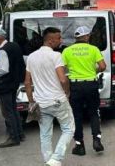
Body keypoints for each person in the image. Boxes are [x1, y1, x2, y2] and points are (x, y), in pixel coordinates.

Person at [25, 27, 74, 166]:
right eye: (59, 38)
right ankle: (56, 159)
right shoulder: (56, 56)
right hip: (58, 100)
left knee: (45, 134)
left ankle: (48, 161)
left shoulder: (31, 57)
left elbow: (27, 81)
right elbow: (63, 79)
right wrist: (67, 92)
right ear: (51, 40)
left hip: (40, 102)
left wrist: (31, 101)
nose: (61, 40)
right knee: (69, 128)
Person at [62, 26, 106, 156]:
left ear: (76, 38)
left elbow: (63, 70)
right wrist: (94, 71)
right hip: (91, 84)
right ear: (87, 36)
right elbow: (103, 66)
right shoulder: (93, 49)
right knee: (94, 112)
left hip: (75, 86)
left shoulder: (67, 51)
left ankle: (79, 145)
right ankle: (97, 139)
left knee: (77, 115)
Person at [0, 27, 26, 148]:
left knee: (7, 112)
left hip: (4, 84)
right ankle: (20, 133)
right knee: (13, 109)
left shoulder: (3, 51)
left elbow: (4, 69)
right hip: (14, 83)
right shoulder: (14, 45)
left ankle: (13, 137)